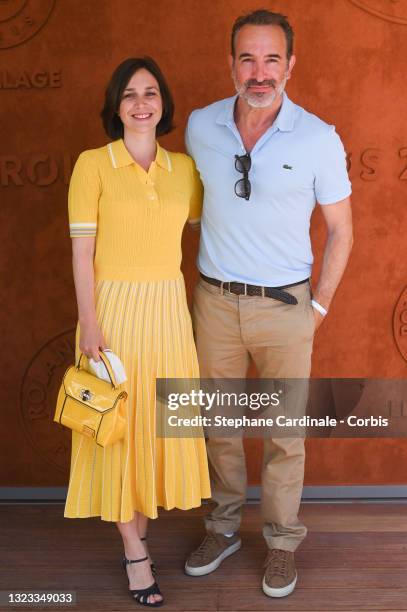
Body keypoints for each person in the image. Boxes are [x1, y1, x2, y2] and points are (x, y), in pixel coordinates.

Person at [184, 9, 353, 598]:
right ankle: (224, 528)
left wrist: (319, 308)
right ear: (231, 64)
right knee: (219, 427)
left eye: (271, 59)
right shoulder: (200, 126)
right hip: (213, 303)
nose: (259, 73)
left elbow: (342, 231)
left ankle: (281, 542)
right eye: (248, 59)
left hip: (287, 309)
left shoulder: (318, 137)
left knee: (284, 434)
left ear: (291, 65)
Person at [64, 56, 211, 607]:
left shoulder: (185, 172)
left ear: (163, 105)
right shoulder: (92, 165)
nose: (141, 102)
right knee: (117, 429)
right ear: (115, 106)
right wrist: (91, 325)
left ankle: (136, 532)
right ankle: (135, 553)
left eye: (150, 93)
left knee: (153, 426)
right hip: (113, 313)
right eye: (129, 94)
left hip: (170, 313)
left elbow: (212, 230)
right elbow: (82, 255)